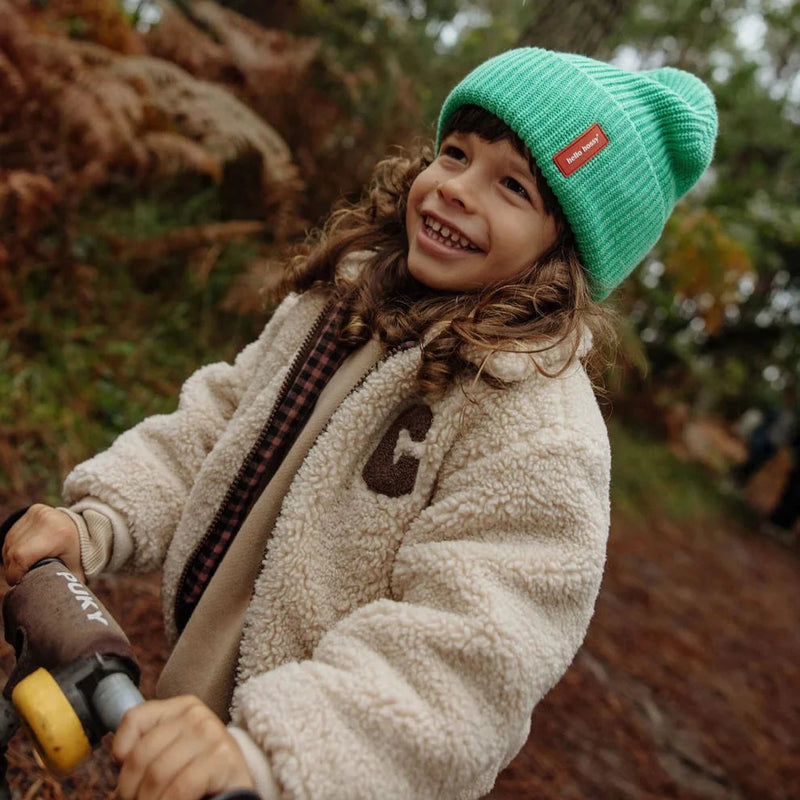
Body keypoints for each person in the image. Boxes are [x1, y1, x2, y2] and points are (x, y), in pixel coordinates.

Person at [0, 48, 717, 800]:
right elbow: (216, 425)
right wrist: (96, 523)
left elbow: (470, 655)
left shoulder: (538, 431)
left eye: (512, 185)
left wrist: (276, 754)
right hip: (200, 722)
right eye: (455, 153)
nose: (455, 190)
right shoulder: (345, 304)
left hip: (324, 767)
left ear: (565, 251)